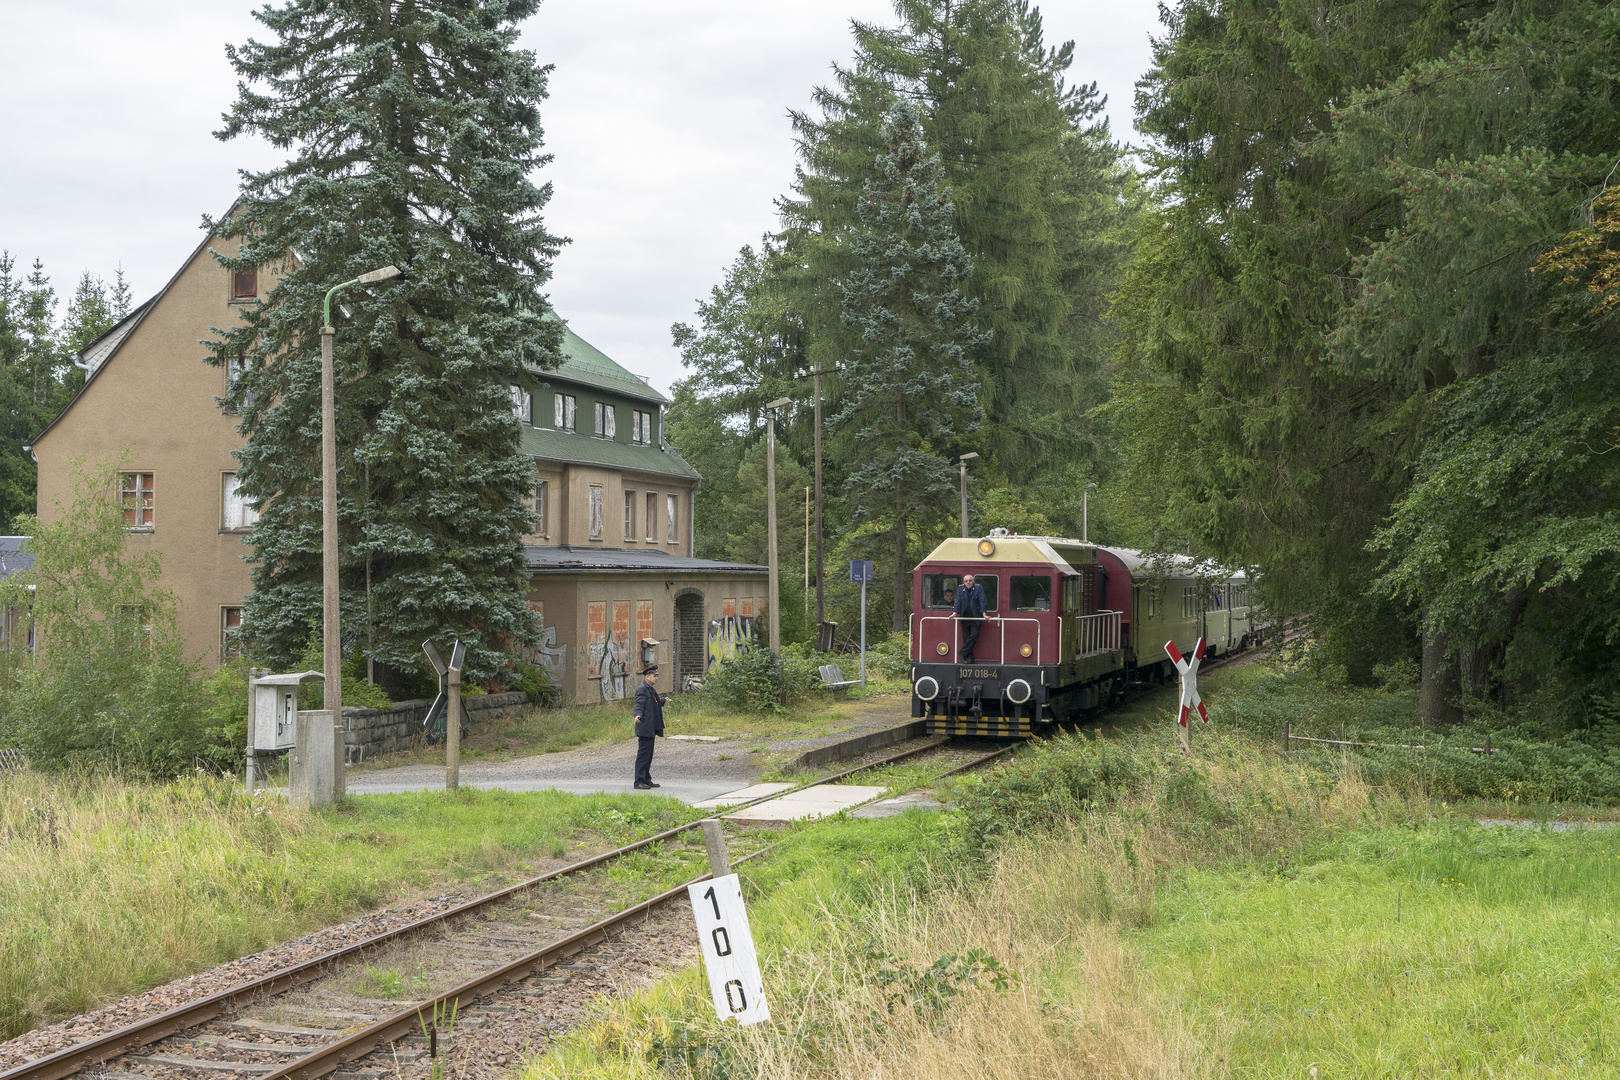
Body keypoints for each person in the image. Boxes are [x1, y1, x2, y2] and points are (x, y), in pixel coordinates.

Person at [632, 665, 667, 789]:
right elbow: (639, 704)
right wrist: (637, 715)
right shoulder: (642, 689)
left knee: (648, 755)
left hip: (651, 727)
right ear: (647, 677)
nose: (656, 678)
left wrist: (662, 701)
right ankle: (639, 781)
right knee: (643, 755)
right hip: (645, 727)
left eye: (657, 676)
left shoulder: (650, 689)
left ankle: (646, 779)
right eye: (654, 676)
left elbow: (652, 704)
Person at [954, 572, 986, 661]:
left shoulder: (978, 588)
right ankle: (970, 658)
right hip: (964, 617)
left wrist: (984, 614)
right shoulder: (960, 589)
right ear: (964, 582)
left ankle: (962, 652)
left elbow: (982, 600)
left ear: (973, 581)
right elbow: (957, 600)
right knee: (966, 638)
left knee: (974, 636)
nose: (968, 582)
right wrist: (955, 613)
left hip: (976, 617)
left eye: (970, 581)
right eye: (966, 581)